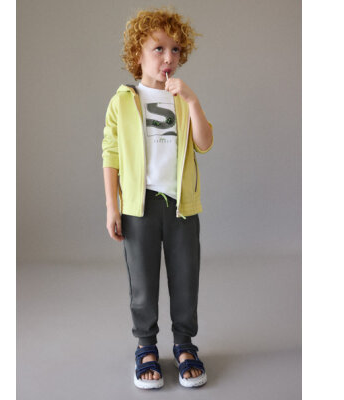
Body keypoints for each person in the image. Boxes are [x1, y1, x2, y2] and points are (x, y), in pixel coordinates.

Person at [102, 7, 213, 389]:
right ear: (138, 53)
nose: (169, 57)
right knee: (143, 283)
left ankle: (184, 344)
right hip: (140, 207)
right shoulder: (122, 101)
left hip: (181, 206)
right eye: (159, 49)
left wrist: (193, 102)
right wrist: (112, 206)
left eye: (176, 49)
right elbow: (111, 154)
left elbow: (204, 143)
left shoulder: (181, 98)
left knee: (185, 277)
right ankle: (146, 347)